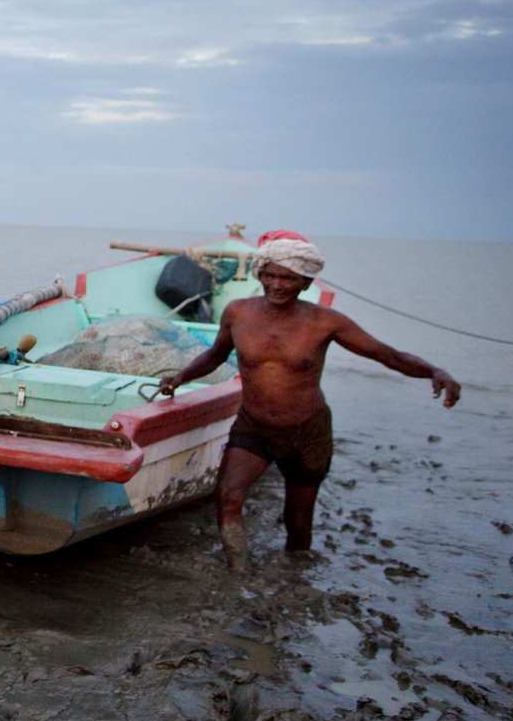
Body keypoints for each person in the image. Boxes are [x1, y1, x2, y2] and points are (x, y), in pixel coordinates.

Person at [156, 232, 459, 569]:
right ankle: (238, 572)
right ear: (259, 275)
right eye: (269, 275)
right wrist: (180, 378)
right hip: (254, 427)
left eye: (288, 278)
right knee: (228, 496)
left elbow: (388, 355)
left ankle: (295, 574)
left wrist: (434, 371)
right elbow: (215, 355)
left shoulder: (325, 322)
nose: (277, 285)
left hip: (307, 433)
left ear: (306, 282)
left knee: (298, 524)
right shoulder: (238, 313)